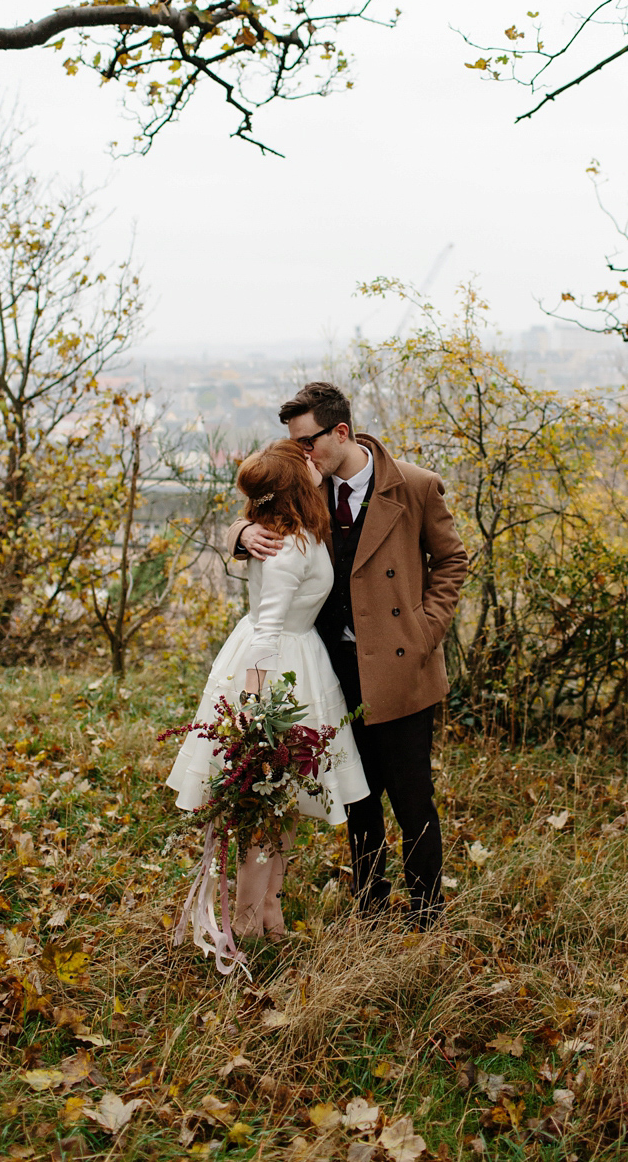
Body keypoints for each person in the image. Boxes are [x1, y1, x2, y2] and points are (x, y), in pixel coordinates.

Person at [228, 382, 467, 929]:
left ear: (341, 432)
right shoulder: (309, 488)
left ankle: (427, 918)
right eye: (293, 445)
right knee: (358, 800)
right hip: (333, 670)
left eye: (307, 442)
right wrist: (241, 530)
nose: (300, 455)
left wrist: (425, 631)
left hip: (403, 667)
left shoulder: (415, 485)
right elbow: (262, 505)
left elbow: (452, 562)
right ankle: (370, 911)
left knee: (413, 802)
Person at [166, 438, 369, 939]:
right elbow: (267, 632)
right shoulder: (283, 547)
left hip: (302, 663)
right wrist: (256, 716)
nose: (311, 460)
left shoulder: (302, 528)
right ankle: (246, 920)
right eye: (303, 462)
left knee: (285, 803)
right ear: (297, 484)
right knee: (266, 802)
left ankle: (270, 911)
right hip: (275, 672)